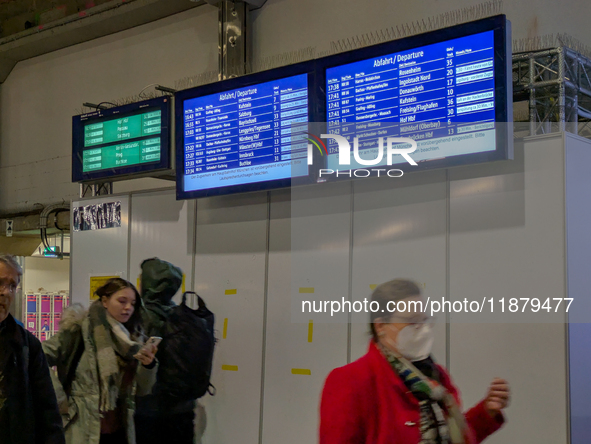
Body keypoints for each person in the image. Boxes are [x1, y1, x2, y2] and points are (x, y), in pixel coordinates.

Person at [320, 278, 510, 444]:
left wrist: (486, 412)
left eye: (424, 320)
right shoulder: (351, 380)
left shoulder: (435, 376)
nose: (422, 329)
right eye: (412, 321)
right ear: (381, 326)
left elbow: (455, 437)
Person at [43, 278, 157, 444]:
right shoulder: (78, 330)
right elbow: (38, 357)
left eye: (132, 303)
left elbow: (143, 390)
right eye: (122, 301)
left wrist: (149, 365)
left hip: (120, 431)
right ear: (105, 301)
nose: (128, 308)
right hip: (83, 431)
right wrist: (58, 398)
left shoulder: (133, 340)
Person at [134, 258, 201, 444]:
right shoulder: (184, 315)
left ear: (148, 284)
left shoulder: (141, 316)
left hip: (150, 411)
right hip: (184, 409)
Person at [0, 254, 65, 444]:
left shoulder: (27, 345)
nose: (5, 292)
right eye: (0, 283)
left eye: (12, 286)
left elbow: (47, 411)